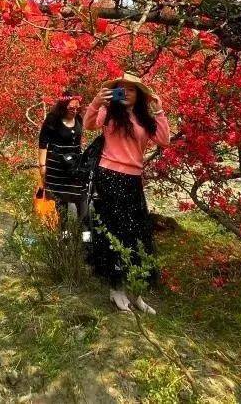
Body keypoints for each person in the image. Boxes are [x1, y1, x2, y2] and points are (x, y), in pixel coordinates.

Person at [82, 72, 170, 313]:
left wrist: (160, 111)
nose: (126, 93)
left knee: (138, 232)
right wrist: (97, 101)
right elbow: (89, 125)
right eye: (121, 89)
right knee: (116, 231)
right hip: (109, 176)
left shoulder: (144, 118)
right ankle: (116, 289)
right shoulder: (109, 113)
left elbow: (164, 140)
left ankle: (136, 291)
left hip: (133, 179)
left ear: (139, 94)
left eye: (131, 89)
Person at [38, 93, 85, 222]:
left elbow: (78, 142)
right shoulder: (53, 119)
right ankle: (64, 236)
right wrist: (42, 166)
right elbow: (43, 143)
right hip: (57, 168)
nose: (75, 111)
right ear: (63, 106)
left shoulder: (79, 119)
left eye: (77, 108)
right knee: (61, 205)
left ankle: (85, 238)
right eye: (71, 108)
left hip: (74, 167)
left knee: (81, 201)